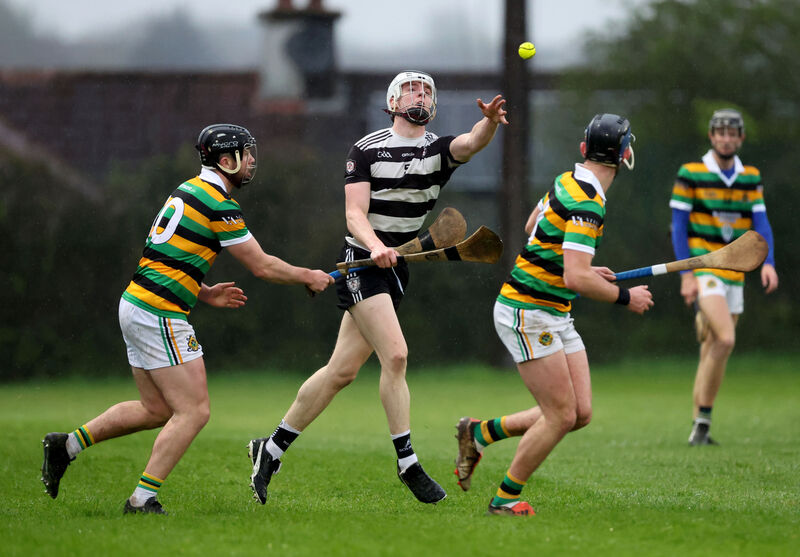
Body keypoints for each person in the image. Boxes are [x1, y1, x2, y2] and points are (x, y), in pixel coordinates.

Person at [40, 124, 334, 515]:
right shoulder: (217, 201)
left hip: (137, 303)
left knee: (156, 409)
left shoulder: (187, 189)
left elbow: (170, 259)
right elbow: (261, 265)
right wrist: (308, 275)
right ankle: (142, 500)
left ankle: (66, 446)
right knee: (194, 410)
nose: (251, 162)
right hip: (157, 312)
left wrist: (204, 290)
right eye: (246, 155)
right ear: (225, 160)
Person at [247, 70, 508, 505]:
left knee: (340, 373)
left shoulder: (437, 150)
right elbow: (354, 215)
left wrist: (491, 123)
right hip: (362, 262)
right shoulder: (366, 150)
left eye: (426, 90)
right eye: (410, 88)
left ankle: (269, 451)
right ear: (392, 101)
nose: (418, 95)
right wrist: (374, 245)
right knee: (398, 355)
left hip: (396, 267)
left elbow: (471, 142)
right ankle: (408, 464)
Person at [453, 113, 654, 516]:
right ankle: (504, 501)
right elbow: (577, 278)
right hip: (528, 311)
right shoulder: (588, 202)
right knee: (560, 415)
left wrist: (574, 264)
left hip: (552, 311)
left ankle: (480, 433)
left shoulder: (567, 180)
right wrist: (623, 297)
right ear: (626, 154)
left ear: (584, 149)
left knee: (578, 413)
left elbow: (534, 227)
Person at [669, 108, 778, 446]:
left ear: (740, 138)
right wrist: (687, 275)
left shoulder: (751, 176)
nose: (727, 139)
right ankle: (702, 420)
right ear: (711, 136)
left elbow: (761, 225)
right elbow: (678, 226)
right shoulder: (691, 173)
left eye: (733, 134)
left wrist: (769, 262)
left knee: (713, 347)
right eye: (721, 133)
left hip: (736, 272)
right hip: (705, 266)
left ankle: (700, 426)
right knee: (726, 339)